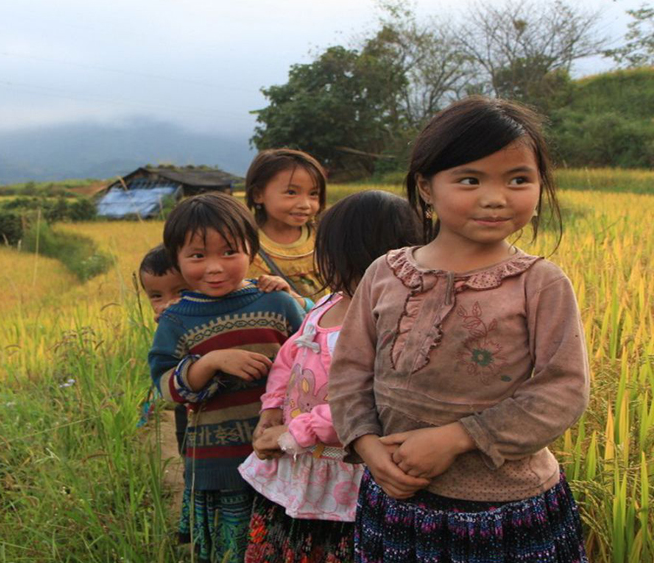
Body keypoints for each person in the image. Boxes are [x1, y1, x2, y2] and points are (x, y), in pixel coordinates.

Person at [329, 96, 590, 562]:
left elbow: (564, 389)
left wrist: (456, 438)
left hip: (506, 510)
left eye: (518, 180)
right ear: (426, 188)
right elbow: (349, 371)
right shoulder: (384, 274)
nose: (496, 197)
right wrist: (367, 446)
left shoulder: (540, 283)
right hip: (394, 501)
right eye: (470, 180)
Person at [238, 190, 423, 563]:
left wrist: (293, 434)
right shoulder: (328, 303)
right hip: (298, 465)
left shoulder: (391, 323)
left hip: (345, 476)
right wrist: (272, 408)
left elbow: (365, 404)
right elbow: (291, 355)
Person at [148, 192, 305, 563]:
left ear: (252, 251)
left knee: (288, 543)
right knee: (231, 547)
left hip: (283, 455)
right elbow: (164, 388)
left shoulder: (279, 304)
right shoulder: (175, 321)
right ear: (177, 259)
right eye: (198, 256)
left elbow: (313, 355)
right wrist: (211, 361)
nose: (215, 268)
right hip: (220, 463)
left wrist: (297, 297)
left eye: (229, 252)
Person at [244, 148, 330, 302]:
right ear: (258, 194)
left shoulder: (325, 237)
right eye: (291, 192)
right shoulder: (246, 245)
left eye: (313, 194)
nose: (305, 204)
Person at [138, 245, 190, 455]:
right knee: (189, 456)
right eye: (156, 296)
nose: (169, 303)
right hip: (186, 409)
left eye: (181, 292)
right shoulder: (167, 327)